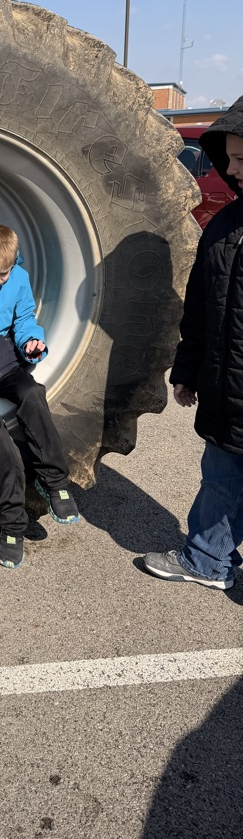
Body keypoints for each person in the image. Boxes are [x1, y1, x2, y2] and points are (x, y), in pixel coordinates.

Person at [143, 99, 243, 591]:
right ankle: (211, 557)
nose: (237, 170)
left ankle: (211, 557)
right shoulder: (223, 228)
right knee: (222, 477)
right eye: (233, 159)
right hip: (227, 389)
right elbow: (201, 310)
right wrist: (187, 370)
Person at [0, 224, 79, 570]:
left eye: (2, 273)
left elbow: (24, 319)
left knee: (33, 395)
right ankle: (10, 523)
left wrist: (31, 343)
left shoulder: (17, 279)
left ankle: (53, 481)